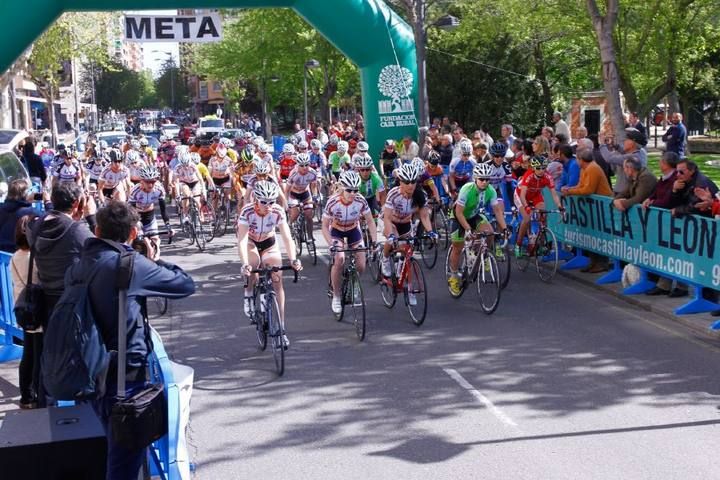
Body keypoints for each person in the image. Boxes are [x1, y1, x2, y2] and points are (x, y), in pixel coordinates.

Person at [66, 201, 195, 480]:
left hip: (88, 371)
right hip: (125, 380)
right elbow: (184, 284)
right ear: (133, 233)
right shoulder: (131, 265)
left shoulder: (78, 264)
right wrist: (153, 259)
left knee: (112, 448)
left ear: (97, 230)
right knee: (124, 464)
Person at [27, 183, 94, 406]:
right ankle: (83, 407)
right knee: (81, 355)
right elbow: (99, 248)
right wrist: (90, 217)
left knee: (50, 353)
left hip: (46, 301)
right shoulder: (77, 231)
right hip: (74, 305)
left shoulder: (35, 227)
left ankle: (47, 403)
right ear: (76, 203)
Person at [237, 181, 302, 348]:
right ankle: (249, 292)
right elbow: (242, 241)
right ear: (256, 199)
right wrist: (244, 264)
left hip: (269, 242)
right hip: (251, 243)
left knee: (277, 279)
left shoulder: (278, 211)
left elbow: (287, 238)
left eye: (272, 201)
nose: (268, 205)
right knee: (253, 263)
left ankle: (281, 329)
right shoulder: (247, 211)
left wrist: (294, 259)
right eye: (264, 202)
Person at [447, 163, 509, 296]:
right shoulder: (466, 189)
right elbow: (459, 213)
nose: (485, 182)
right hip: (459, 217)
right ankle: (453, 276)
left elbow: (497, 211)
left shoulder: (491, 190)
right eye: (482, 179)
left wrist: (504, 228)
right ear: (475, 179)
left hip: (474, 215)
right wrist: (468, 229)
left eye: (487, 179)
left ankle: (483, 254)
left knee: (490, 232)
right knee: (457, 247)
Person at [322, 171, 377, 314]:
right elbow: (324, 225)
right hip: (337, 230)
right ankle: (336, 295)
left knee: (361, 265)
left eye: (356, 190)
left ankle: (353, 282)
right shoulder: (333, 202)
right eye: (349, 190)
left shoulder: (360, 201)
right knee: (339, 258)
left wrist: (374, 242)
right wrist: (331, 244)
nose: (352, 193)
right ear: (341, 188)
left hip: (353, 229)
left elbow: (370, 221)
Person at [560, 149, 613, 273]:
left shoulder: (592, 168)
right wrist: (569, 189)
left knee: (599, 234)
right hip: (593, 207)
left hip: (601, 206)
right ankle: (593, 261)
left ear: (580, 159)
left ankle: (601, 262)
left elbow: (588, 189)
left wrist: (570, 191)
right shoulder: (585, 169)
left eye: (577, 159)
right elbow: (581, 185)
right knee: (592, 234)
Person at [380, 163, 435, 278]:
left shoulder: (420, 195)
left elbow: (424, 216)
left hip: (405, 223)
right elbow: (387, 217)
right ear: (400, 181)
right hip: (390, 221)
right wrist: (390, 234)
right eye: (406, 182)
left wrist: (430, 232)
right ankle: (384, 259)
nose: (410, 185)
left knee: (406, 248)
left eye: (413, 181)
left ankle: (400, 265)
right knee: (393, 240)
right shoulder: (393, 194)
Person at [12, 215, 41, 409]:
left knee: (28, 353)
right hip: (37, 310)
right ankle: (38, 395)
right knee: (38, 354)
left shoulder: (15, 256)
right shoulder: (36, 257)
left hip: (23, 309)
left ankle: (26, 396)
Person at [514, 156, 565, 257]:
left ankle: (539, 242)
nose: (541, 171)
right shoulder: (528, 175)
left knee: (543, 213)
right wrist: (526, 207)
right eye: (538, 168)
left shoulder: (547, 177)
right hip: (521, 195)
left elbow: (554, 194)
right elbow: (522, 195)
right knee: (527, 218)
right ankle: (518, 245)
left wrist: (560, 206)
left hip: (535, 195)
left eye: (543, 168)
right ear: (533, 168)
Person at [127, 166, 170, 260]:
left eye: (153, 181)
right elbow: (132, 212)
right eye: (147, 182)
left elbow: (163, 210)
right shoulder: (135, 191)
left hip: (150, 215)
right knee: (142, 241)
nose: (150, 185)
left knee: (155, 240)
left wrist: (168, 225)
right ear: (141, 181)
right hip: (137, 216)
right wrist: (136, 227)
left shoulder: (159, 189)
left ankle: (156, 257)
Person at [600, 127, 648, 195]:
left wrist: (602, 144)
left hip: (624, 192)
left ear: (632, 143)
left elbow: (609, 158)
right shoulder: (639, 152)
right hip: (628, 191)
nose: (624, 142)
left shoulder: (632, 157)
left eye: (626, 140)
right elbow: (626, 152)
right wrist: (615, 146)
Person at [0, 179, 42, 253]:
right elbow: (48, 220)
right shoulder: (31, 212)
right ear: (26, 194)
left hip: (2, 250)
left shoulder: (2, 208)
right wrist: (48, 202)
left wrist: (26, 202)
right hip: (19, 252)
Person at [284, 152, 319, 236]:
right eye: (302, 165)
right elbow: (287, 190)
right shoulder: (293, 173)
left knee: (309, 216)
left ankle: (310, 238)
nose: (304, 167)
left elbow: (313, 187)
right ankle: (289, 225)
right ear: (297, 165)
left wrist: (314, 196)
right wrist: (286, 203)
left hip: (305, 194)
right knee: (295, 213)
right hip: (294, 194)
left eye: (306, 164)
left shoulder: (312, 173)